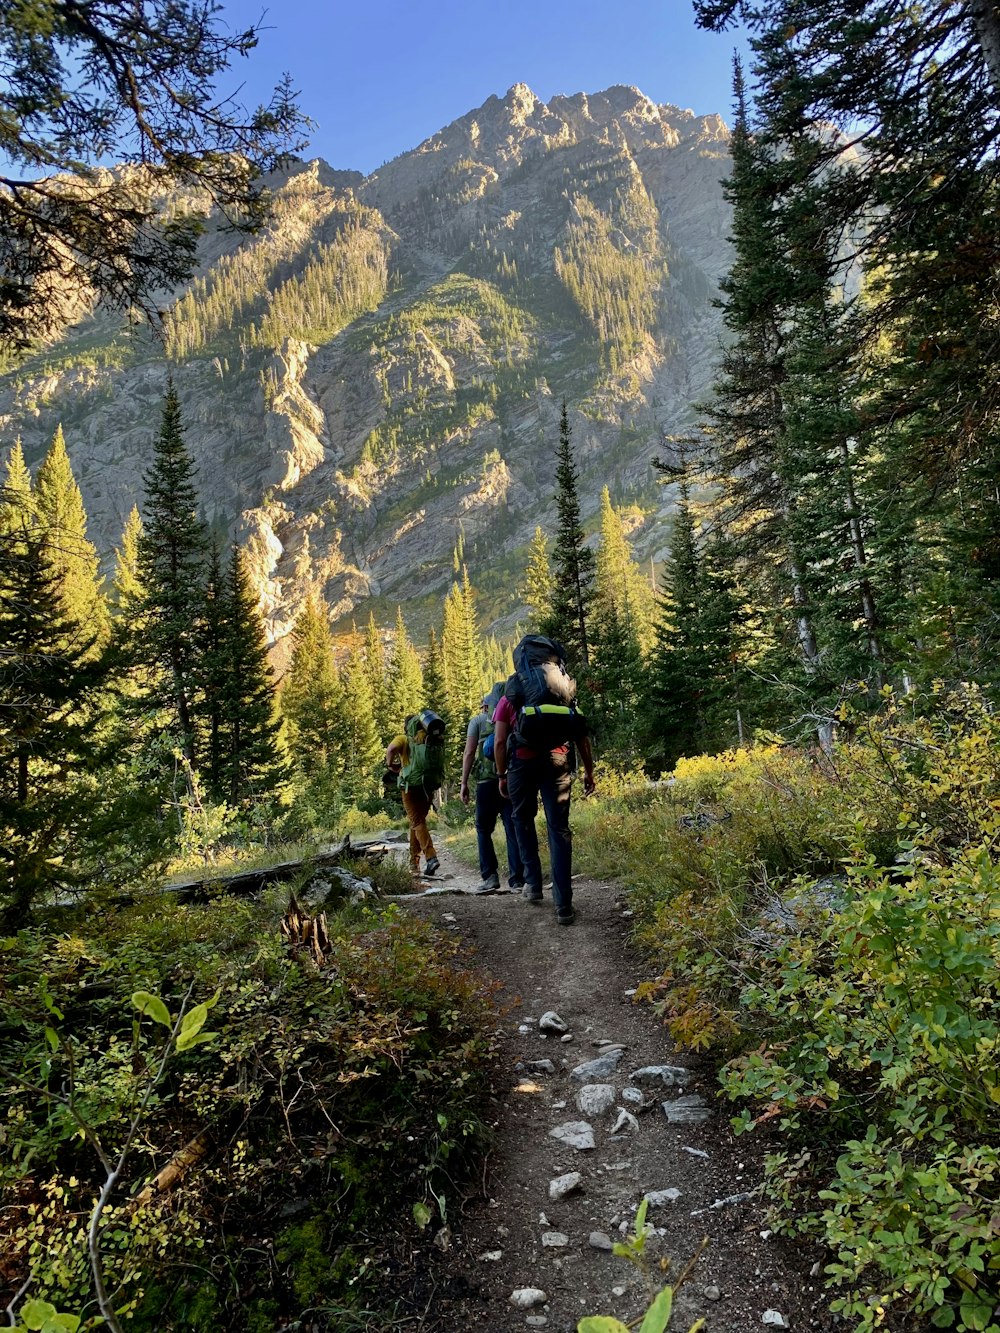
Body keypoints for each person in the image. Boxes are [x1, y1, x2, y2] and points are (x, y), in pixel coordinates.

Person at [494, 670, 595, 926]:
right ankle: (564, 905)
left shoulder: (511, 695)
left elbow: (498, 742)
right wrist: (588, 771)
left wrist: (501, 774)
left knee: (522, 820)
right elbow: (581, 735)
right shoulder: (561, 694)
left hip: (521, 764)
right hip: (558, 762)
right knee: (559, 829)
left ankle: (533, 883)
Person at [460, 684, 526, 895]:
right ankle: (517, 880)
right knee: (512, 829)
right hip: (510, 779)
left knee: (483, 829)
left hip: (486, 783)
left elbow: (469, 753)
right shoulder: (513, 716)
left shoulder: (477, 722)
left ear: (486, 706)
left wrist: (463, 783)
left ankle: (490, 877)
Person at [386, 711, 445, 879]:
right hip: (428, 785)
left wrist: (391, 765)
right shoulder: (429, 739)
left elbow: (391, 750)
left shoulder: (404, 739)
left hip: (410, 787)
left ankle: (431, 856)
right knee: (417, 822)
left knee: (417, 821)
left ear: (407, 727)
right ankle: (414, 863)